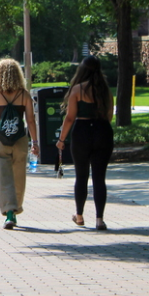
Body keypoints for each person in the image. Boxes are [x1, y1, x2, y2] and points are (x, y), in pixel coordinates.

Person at [0, 59, 39, 229]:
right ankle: (16, 207)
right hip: (19, 139)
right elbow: (31, 121)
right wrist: (35, 142)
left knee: (3, 177)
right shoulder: (24, 95)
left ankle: (9, 211)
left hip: (0, 140)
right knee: (19, 175)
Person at [57, 55, 114, 231]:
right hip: (102, 131)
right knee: (99, 177)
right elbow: (110, 115)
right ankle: (100, 219)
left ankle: (79, 215)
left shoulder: (77, 90)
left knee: (81, 175)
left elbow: (70, 118)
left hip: (82, 132)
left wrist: (61, 139)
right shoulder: (105, 90)